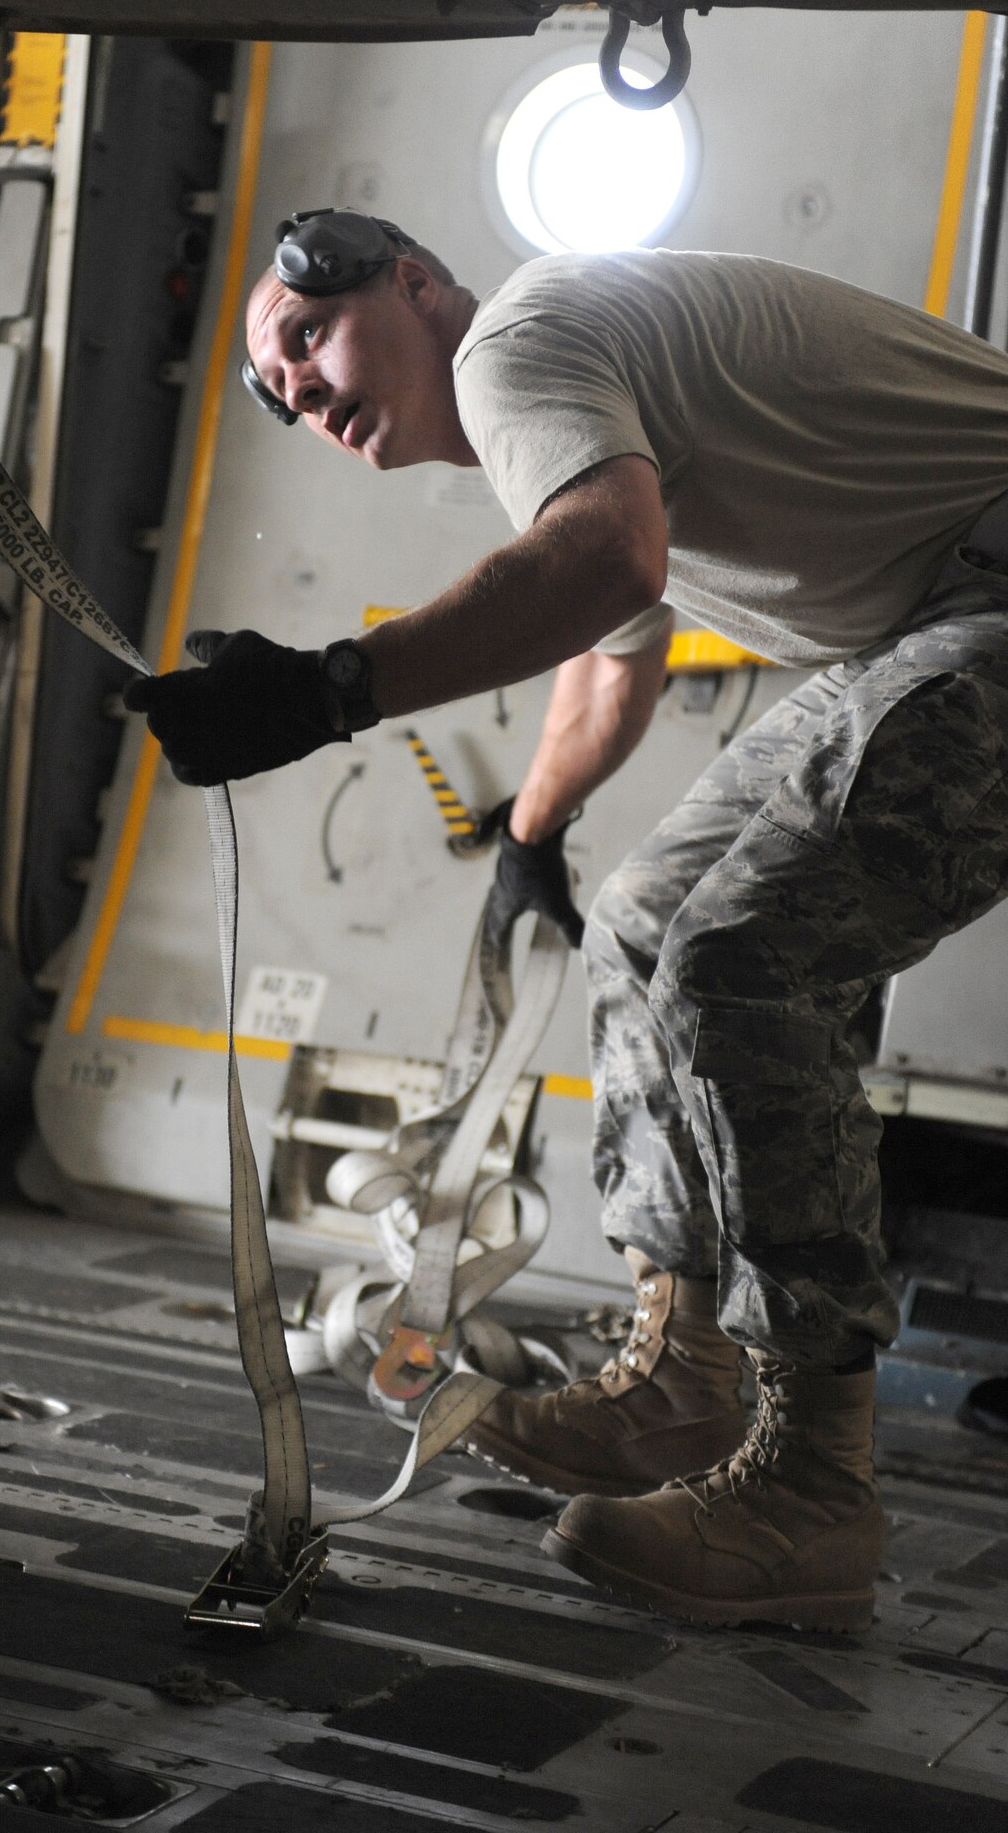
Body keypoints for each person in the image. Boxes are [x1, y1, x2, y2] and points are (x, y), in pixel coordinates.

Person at [125, 209, 1008, 1633]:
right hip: (934, 621)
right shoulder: (568, 407)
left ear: (413, 282)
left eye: (304, 338)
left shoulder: (522, 342)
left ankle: (815, 1487)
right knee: (650, 919)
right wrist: (528, 840)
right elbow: (613, 652)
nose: (299, 392)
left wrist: (327, 691)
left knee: (746, 961)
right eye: (276, 397)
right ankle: (683, 1386)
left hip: (989, 601)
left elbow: (610, 564)